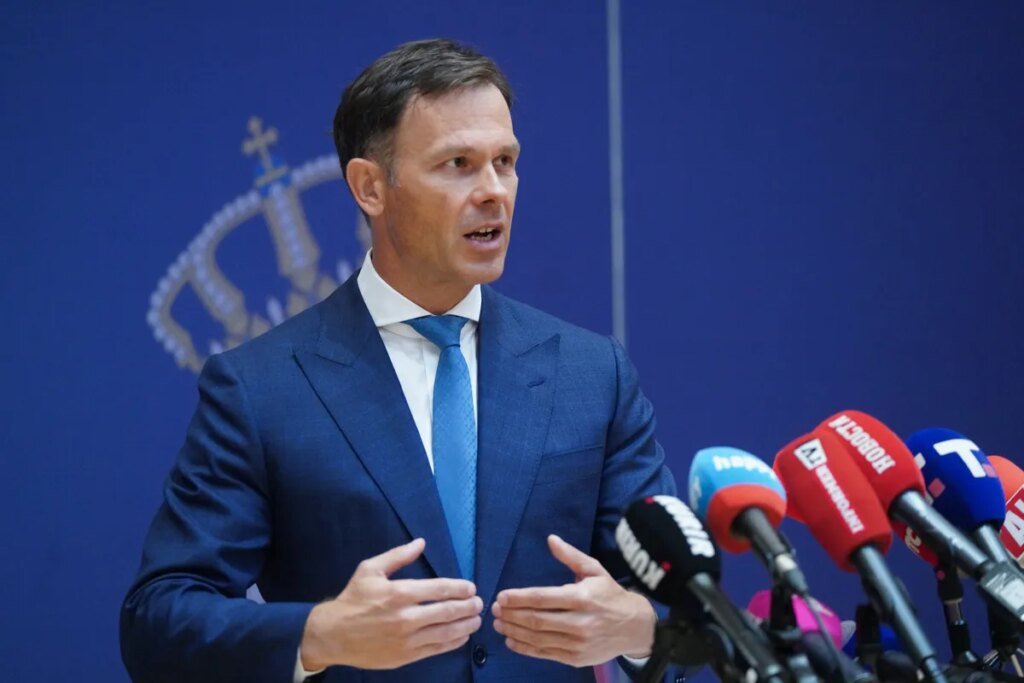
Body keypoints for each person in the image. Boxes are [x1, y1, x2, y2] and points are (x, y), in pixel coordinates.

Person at [121, 38, 677, 683]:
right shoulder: (260, 388)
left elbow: (682, 603)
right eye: (458, 164)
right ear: (371, 187)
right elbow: (158, 621)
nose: (494, 192)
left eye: (505, 161)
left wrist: (638, 629)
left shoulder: (593, 375)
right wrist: (321, 634)